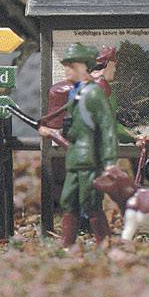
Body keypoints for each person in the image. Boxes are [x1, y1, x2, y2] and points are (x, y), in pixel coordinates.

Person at [42, 43, 118, 245]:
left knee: (91, 202)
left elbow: (107, 128)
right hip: (76, 158)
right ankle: (67, 243)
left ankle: (104, 241)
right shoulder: (76, 93)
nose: (66, 71)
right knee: (69, 201)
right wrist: (50, 132)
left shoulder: (94, 94)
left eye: (71, 66)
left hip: (91, 159)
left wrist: (109, 161)